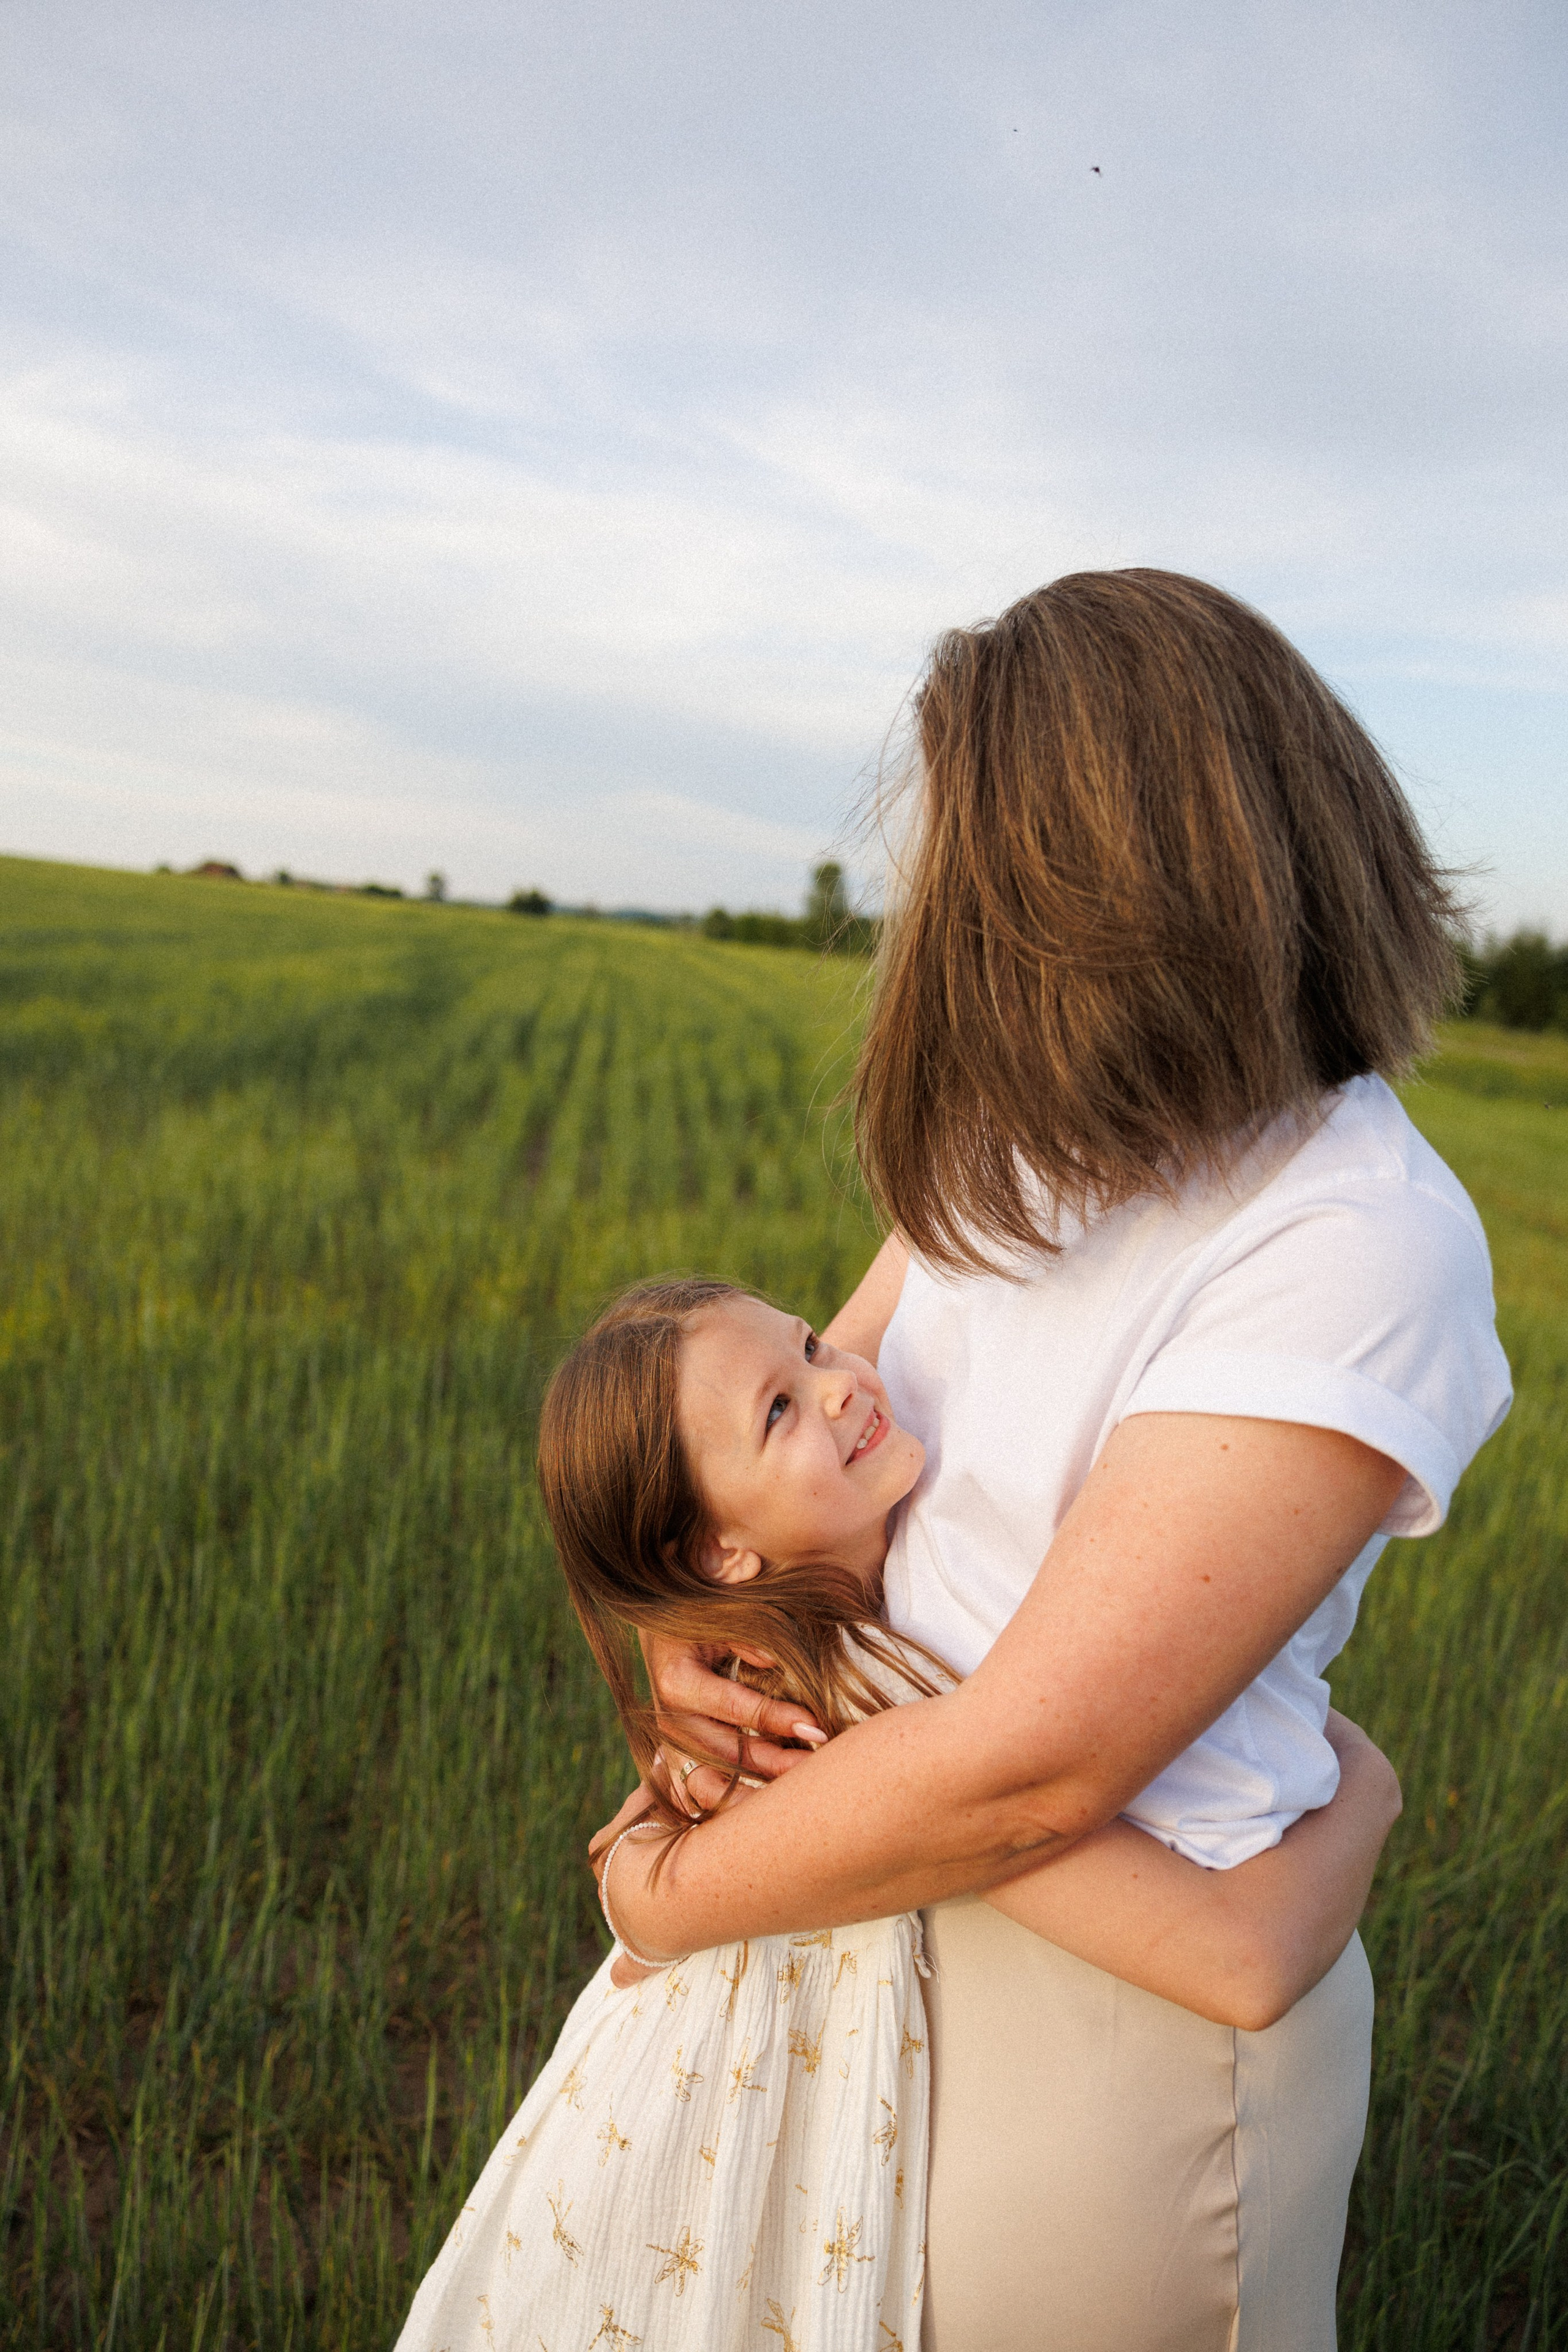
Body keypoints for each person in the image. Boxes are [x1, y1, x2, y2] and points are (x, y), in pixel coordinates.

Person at [595, 572, 1513, 2350]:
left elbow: (1036, 1770)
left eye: (987, 853)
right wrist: (694, 1631)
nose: (950, 898)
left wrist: (661, 1891)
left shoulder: (1352, 1233)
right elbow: (815, 1392)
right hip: (871, 1921)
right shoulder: (1040, 1123)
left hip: (1112, 2049)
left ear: (1139, 870)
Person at [394, 1278, 1402, 2352]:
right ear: (719, 1557)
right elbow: (1241, 1960)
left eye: (815, 1345)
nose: (840, 1385)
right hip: (708, 2143)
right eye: (778, 1410)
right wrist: (1364, 1775)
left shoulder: (845, 1640)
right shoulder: (852, 1706)